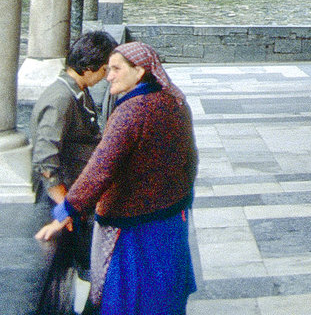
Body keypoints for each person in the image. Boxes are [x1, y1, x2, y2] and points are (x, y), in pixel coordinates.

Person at [36, 42, 198, 315]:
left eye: (115, 69)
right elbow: (190, 160)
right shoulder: (174, 101)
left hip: (133, 229)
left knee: (130, 299)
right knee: (164, 293)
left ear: (139, 72)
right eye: (107, 69)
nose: (108, 76)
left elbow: (100, 169)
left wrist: (65, 211)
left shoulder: (131, 112)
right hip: (171, 218)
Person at [30, 31, 117, 279]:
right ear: (88, 68)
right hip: (71, 198)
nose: (107, 77)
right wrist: (66, 207)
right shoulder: (60, 99)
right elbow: (46, 161)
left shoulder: (78, 91)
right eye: (104, 69)